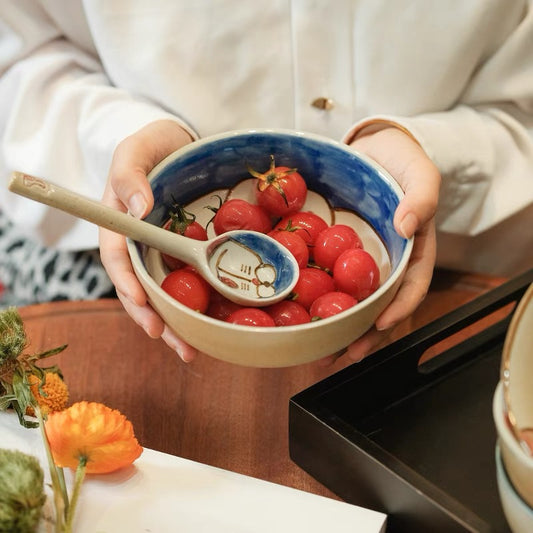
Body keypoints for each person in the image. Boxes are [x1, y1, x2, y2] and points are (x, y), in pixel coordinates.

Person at [1, 1, 532, 364]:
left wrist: (435, 155)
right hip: (122, 274)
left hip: (446, 281)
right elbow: (19, 55)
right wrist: (123, 139)